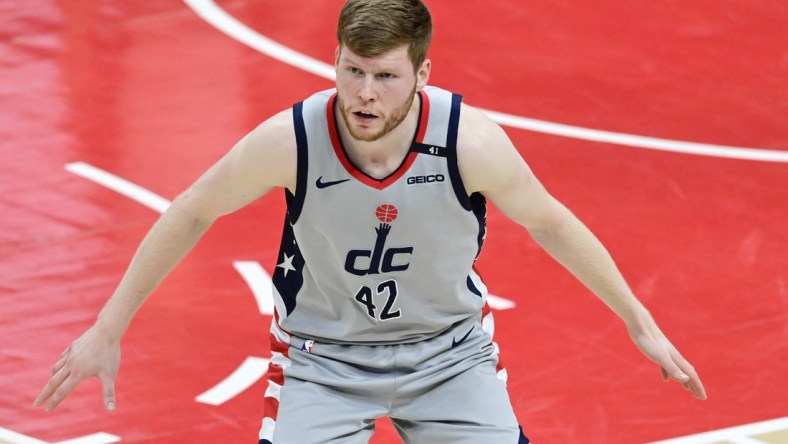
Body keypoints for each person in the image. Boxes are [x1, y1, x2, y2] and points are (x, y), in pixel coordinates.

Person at [35, 0, 707, 442]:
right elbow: (191, 211)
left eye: (384, 76)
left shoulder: (468, 143)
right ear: (333, 60)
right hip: (322, 359)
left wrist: (637, 321)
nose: (362, 92)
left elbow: (552, 224)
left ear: (422, 74)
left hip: (448, 352)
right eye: (351, 70)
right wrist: (107, 328)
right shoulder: (292, 138)